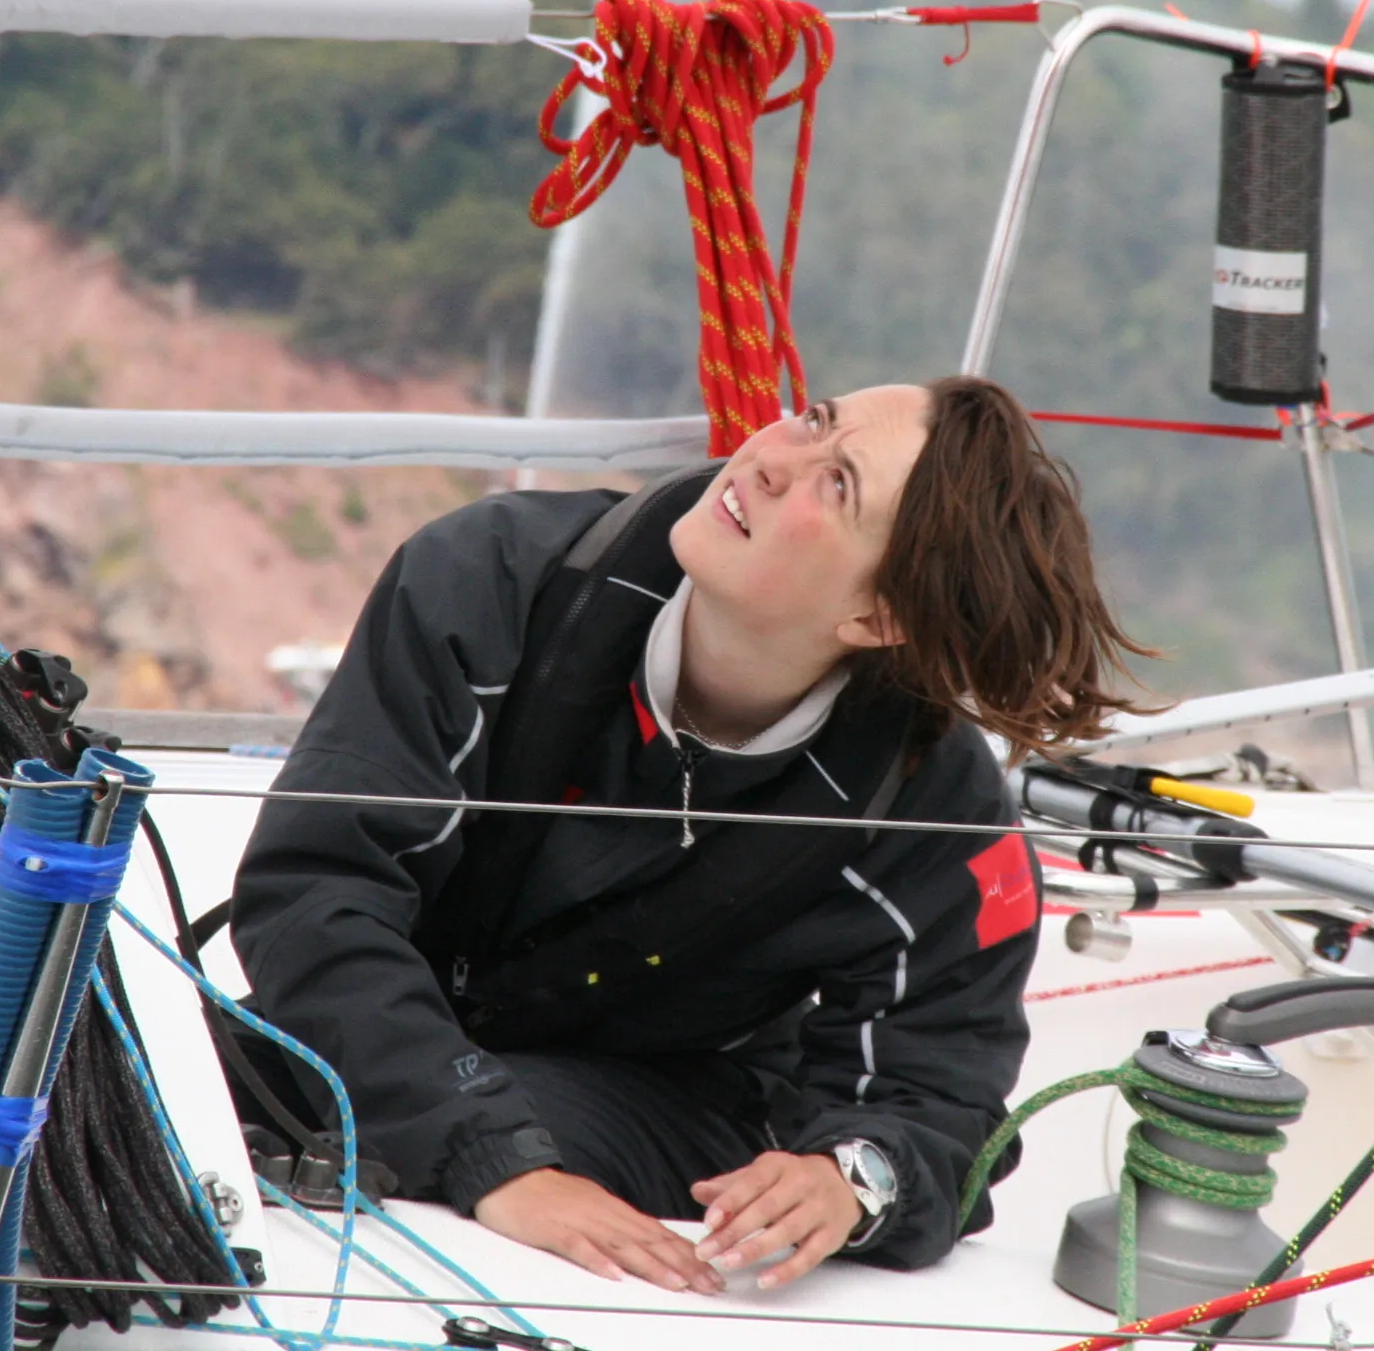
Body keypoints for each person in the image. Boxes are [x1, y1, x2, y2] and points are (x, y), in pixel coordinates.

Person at [233, 377, 1145, 1293]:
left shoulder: (930, 810)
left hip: (674, 1108)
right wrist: (493, 1156)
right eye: (814, 419)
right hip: (384, 1041)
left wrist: (848, 1180)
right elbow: (318, 894)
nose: (772, 457)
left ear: (878, 619)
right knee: (172, 1068)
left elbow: (940, 1095)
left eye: (838, 484)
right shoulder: (489, 581)